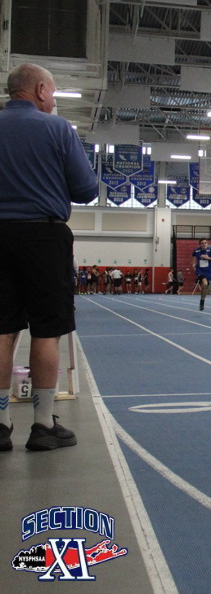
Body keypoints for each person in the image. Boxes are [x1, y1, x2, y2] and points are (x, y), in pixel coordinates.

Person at [0, 62, 98, 451]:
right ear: (41, 90)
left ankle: (0, 423)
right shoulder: (57, 129)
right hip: (43, 236)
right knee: (46, 330)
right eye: (53, 93)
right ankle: (42, 425)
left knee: (1, 329)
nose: (53, 100)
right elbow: (86, 189)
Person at [192, 238, 211, 311]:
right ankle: (202, 302)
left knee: (205, 287)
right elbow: (194, 256)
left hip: (208, 272)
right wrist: (194, 264)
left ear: (207, 243)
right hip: (199, 271)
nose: (204, 244)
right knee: (204, 283)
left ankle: (202, 300)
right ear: (200, 244)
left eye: (205, 243)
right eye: (202, 243)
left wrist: (208, 258)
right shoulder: (196, 251)